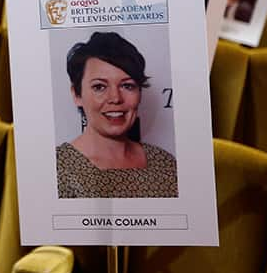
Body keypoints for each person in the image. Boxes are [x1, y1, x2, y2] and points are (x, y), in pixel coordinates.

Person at [56, 31, 178, 199]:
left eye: (127, 86)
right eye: (99, 87)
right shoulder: (57, 169)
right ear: (77, 95)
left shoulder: (165, 164)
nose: (115, 98)